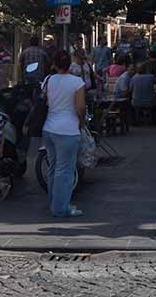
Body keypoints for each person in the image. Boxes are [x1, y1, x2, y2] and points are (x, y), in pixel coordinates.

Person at [42, 49, 86, 218]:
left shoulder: (48, 80)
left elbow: (44, 100)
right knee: (65, 170)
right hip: (68, 129)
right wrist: (81, 122)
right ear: (70, 64)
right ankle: (60, 208)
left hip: (49, 128)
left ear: (54, 64)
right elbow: (80, 107)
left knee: (53, 168)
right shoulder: (77, 82)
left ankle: (53, 202)